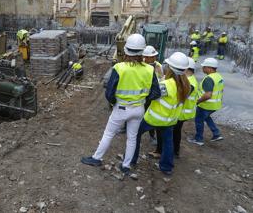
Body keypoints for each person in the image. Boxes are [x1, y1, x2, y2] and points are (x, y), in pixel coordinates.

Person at [81, 34, 160, 175]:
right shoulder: (150, 69)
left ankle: (97, 158)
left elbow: (109, 92)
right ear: (142, 52)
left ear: (126, 50)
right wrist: (142, 102)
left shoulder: (119, 68)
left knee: (109, 133)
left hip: (122, 108)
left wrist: (113, 103)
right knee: (132, 138)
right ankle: (126, 166)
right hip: (139, 109)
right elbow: (155, 93)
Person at [131, 52, 190, 175]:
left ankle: (132, 160)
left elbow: (151, 96)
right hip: (170, 120)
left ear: (170, 68)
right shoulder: (186, 85)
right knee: (168, 142)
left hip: (154, 118)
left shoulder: (165, 85)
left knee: (135, 134)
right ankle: (166, 167)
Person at [150, 57, 199, 158]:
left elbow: (176, 94)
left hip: (180, 113)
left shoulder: (189, 83)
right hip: (180, 112)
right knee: (175, 132)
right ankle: (174, 152)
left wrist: (164, 82)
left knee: (169, 133)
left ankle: (164, 151)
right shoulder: (189, 80)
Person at [188, 58, 224, 146]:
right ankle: (216, 133)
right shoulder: (218, 76)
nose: (202, 68)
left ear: (210, 68)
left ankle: (198, 139)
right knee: (207, 117)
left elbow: (208, 95)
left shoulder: (209, 79)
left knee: (199, 120)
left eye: (204, 67)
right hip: (215, 105)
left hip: (206, 105)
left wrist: (198, 101)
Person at [142, 45, 163, 145]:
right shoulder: (141, 64)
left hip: (151, 94)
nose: (154, 58)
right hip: (141, 93)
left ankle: (152, 135)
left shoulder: (158, 66)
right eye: (152, 56)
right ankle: (126, 128)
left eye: (154, 56)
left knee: (150, 113)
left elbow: (161, 79)